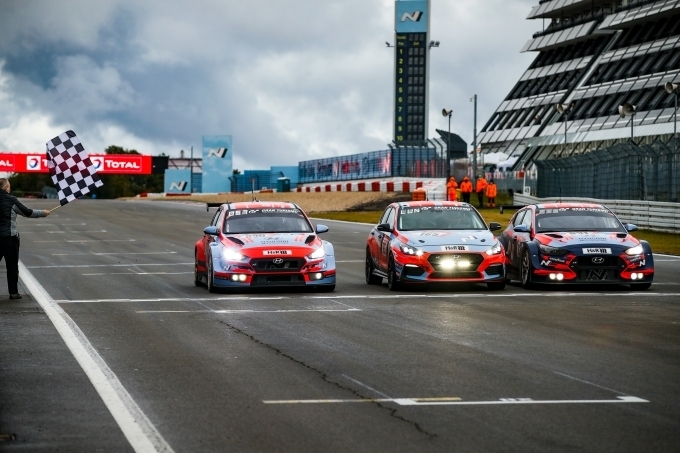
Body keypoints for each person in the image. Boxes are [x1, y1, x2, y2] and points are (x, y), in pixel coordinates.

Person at [0, 179, 51, 299]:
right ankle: (13, 293)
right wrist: (43, 213)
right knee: (12, 266)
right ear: (6, 187)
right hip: (10, 238)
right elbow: (27, 212)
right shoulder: (11, 200)